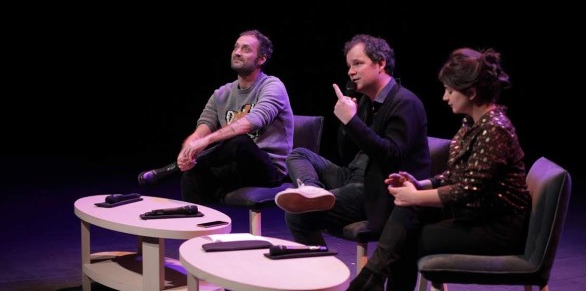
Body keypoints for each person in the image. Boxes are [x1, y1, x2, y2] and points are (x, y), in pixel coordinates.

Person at [347, 47, 532, 291]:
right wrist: (420, 184)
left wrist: (415, 196)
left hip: (496, 228)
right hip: (474, 215)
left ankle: (369, 280)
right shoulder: (472, 123)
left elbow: (467, 190)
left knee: (408, 234)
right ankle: (372, 279)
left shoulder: (495, 129)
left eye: (450, 91)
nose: (445, 97)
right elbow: (454, 175)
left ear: (471, 93)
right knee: (408, 216)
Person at [274, 34, 431, 246]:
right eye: (349, 65)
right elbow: (347, 155)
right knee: (299, 154)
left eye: (357, 63)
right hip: (353, 176)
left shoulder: (404, 103)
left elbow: (392, 155)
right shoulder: (367, 101)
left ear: (380, 64)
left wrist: (351, 122)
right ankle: (312, 190)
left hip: (377, 188)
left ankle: (321, 265)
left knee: (298, 215)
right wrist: (346, 122)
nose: (350, 71)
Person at [177, 29, 294, 204]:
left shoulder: (272, 86)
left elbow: (254, 121)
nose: (237, 52)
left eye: (246, 49)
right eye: (236, 47)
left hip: (270, 170)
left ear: (261, 59)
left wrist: (204, 144)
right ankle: (196, 222)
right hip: (236, 168)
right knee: (192, 174)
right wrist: (187, 151)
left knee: (239, 142)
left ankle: (179, 167)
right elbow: (202, 128)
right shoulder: (221, 93)